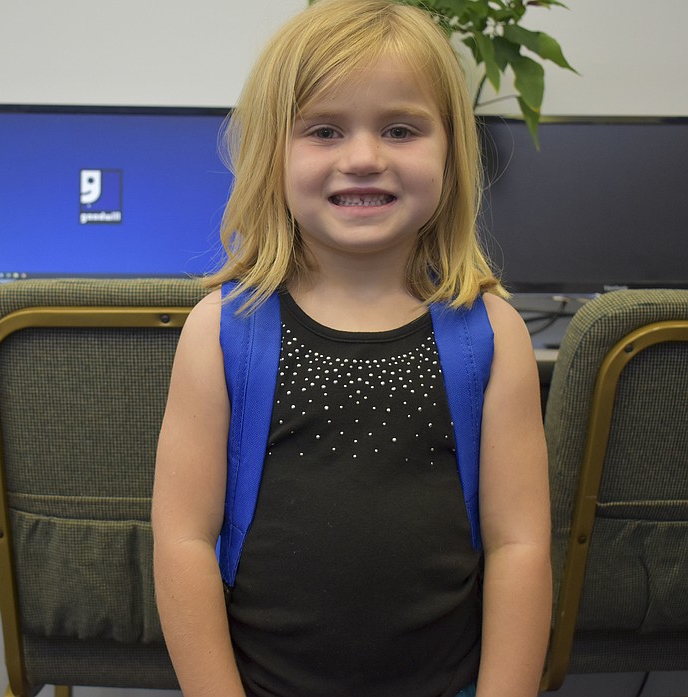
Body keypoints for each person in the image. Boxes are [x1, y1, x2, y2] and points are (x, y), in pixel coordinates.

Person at [152, 0, 551, 695]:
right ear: (271, 151)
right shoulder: (222, 333)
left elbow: (520, 547)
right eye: (325, 130)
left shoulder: (492, 335)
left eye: (400, 129)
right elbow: (183, 542)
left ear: (451, 150)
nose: (364, 158)